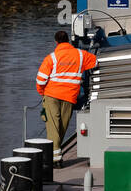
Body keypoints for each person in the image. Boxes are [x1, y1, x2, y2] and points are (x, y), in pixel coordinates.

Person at [36, 30, 97, 164]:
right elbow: (95, 62)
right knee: (62, 127)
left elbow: (40, 80)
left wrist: (42, 92)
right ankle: (56, 154)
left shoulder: (51, 58)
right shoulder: (81, 55)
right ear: (68, 40)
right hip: (70, 96)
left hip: (52, 95)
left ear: (56, 42)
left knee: (53, 126)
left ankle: (55, 159)